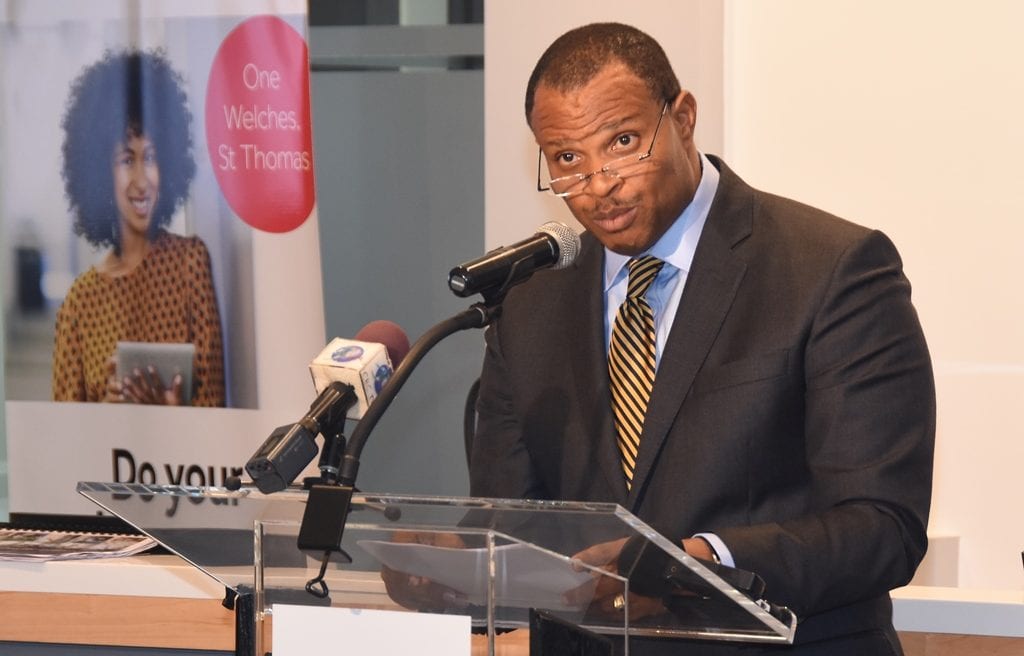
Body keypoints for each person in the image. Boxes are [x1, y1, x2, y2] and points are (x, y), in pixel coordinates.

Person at [466, 22, 935, 655]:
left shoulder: (832, 268)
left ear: (683, 117)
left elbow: (882, 526)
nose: (599, 183)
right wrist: (456, 559)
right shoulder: (529, 303)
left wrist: (696, 563)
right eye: (567, 159)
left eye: (624, 142)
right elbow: (512, 520)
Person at [53, 49, 225, 406]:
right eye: (126, 159)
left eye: (150, 157)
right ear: (99, 171)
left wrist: (167, 411)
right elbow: (66, 440)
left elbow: (215, 408)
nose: (141, 180)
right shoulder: (79, 304)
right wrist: (109, 411)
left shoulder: (190, 262)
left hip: (183, 463)